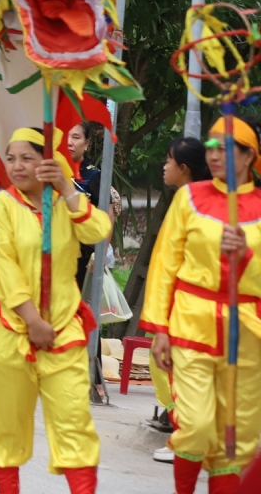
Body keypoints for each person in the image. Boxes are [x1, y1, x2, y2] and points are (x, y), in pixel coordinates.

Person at [0, 128, 109, 494]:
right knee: (5, 426)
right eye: (11, 158)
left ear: (47, 162)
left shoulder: (65, 203)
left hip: (64, 328)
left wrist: (66, 188)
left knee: (75, 423)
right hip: (8, 330)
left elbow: (98, 231)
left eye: (27, 158)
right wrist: (32, 319)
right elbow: (1, 269)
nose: (16, 166)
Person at [142, 117, 261, 494]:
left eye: (223, 148)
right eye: (210, 147)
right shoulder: (188, 198)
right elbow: (164, 264)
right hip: (190, 323)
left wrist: (245, 255)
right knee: (194, 426)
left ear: (248, 156)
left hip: (246, 333)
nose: (213, 155)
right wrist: (160, 328)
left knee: (235, 437)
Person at [150, 137, 212, 463]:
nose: (164, 166)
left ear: (184, 168)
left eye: (169, 160)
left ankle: (186, 436)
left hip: (190, 303)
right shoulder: (190, 199)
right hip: (185, 300)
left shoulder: (192, 201)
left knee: (174, 366)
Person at [67, 122, 101, 287]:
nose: (69, 142)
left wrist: (99, 255)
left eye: (75, 137)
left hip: (81, 256)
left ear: (86, 144)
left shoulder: (93, 175)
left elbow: (106, 216)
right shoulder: (51, 170)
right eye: (65, 137)